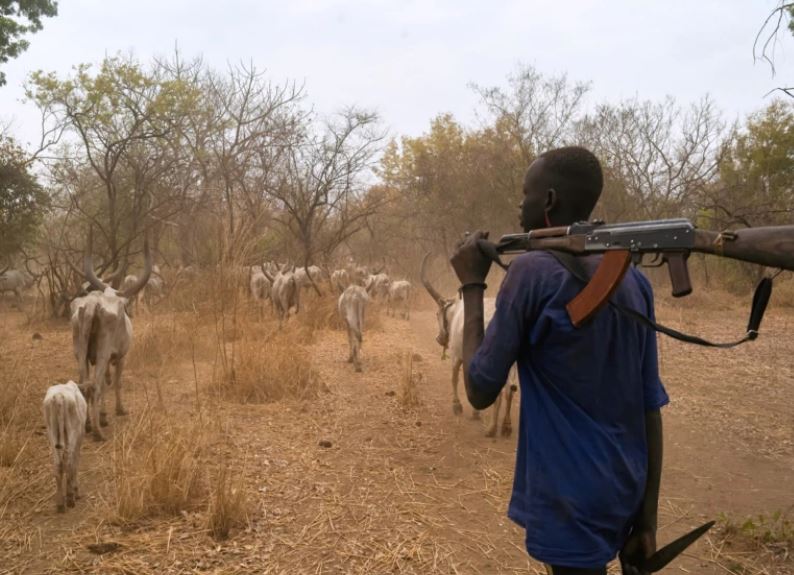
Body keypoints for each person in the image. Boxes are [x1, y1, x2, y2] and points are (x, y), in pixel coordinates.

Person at [450, 146, 668, 575]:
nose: (518, 204)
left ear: (548, 201)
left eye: (525, 193)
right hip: (626, 485)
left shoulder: (531, 273)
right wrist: (647, 518)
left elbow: (478, 390)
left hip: (570, 496)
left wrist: (473, 284)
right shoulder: (634, 279)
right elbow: (649, 406)